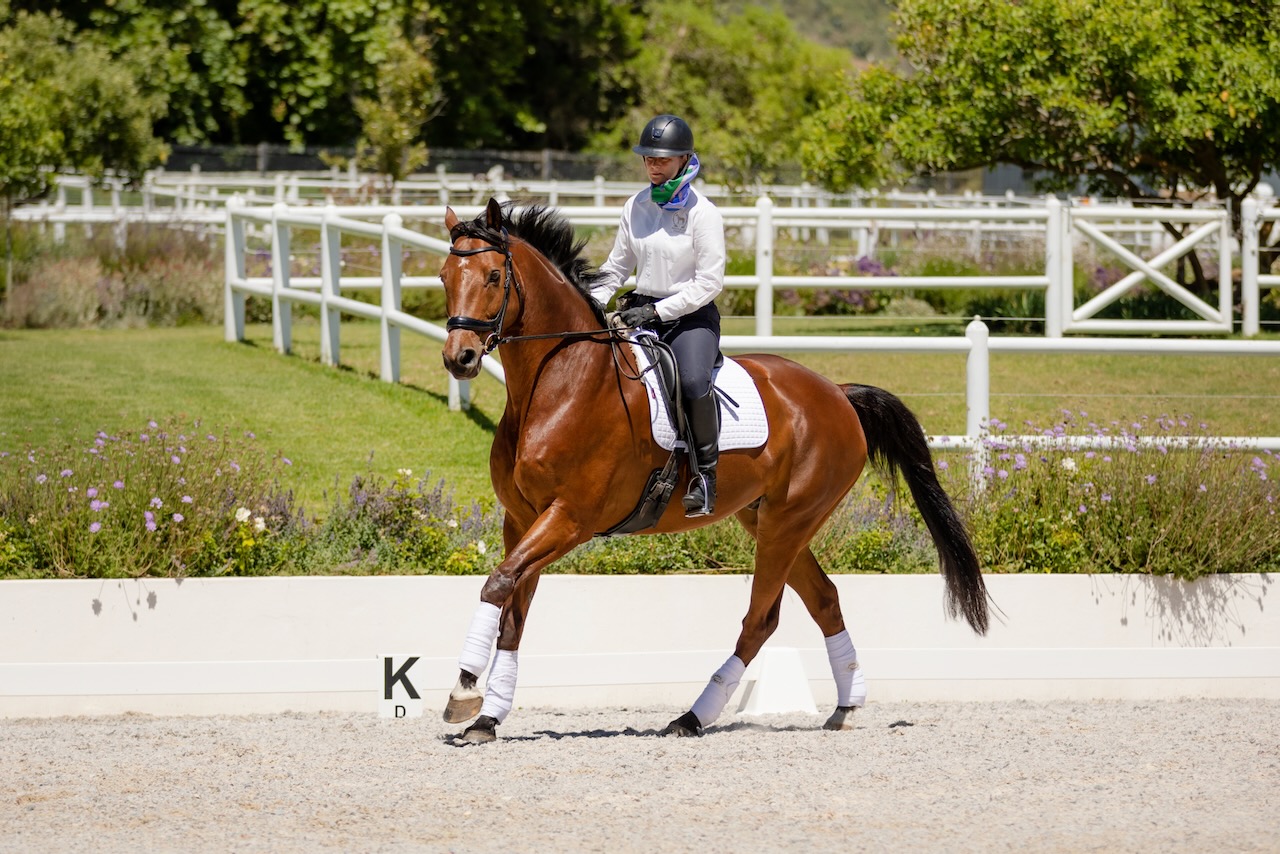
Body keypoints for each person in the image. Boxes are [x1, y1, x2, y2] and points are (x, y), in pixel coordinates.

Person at [590, 114, 727, 517]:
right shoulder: (636, 206)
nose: (654, 164)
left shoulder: (704, 214)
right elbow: (616, 268)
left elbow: (709, 282)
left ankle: (705, 478)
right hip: (641, 314)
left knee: (692, 380)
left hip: (691, 318)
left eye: (663, 158)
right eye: (649, 157)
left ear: (685, 159)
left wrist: (657, 310)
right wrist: (591, 301)